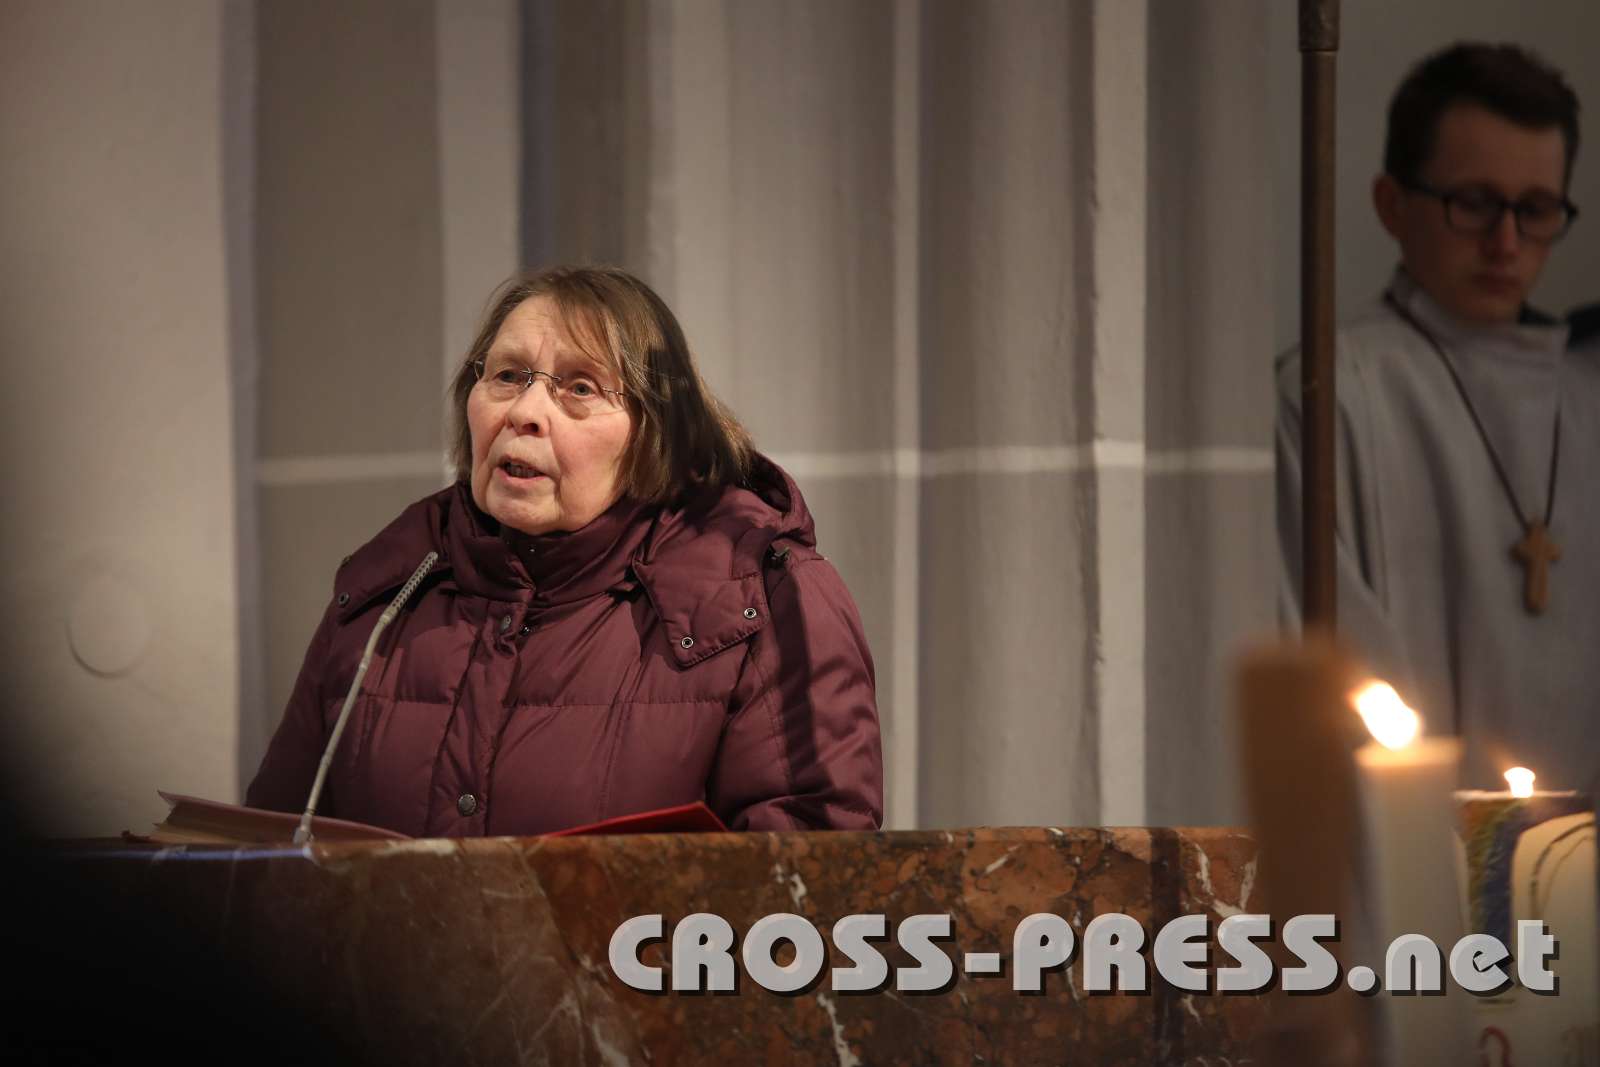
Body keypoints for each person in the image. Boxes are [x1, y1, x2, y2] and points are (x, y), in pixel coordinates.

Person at [248, 266, 883, 835]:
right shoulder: (388, 587)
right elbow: (270, 858)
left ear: (655, 433)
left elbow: (803, 887)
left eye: (580, 388)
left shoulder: (765, 596)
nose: (524, 411)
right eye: (507, 376)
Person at [1277, 43, 1599, 795]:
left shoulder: (1586, 392)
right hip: (1416, 846)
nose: (1506, 243)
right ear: (1393, 205)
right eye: (1475, 203)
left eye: (1536, 210)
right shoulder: (1331, 392)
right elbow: (1337, 677)